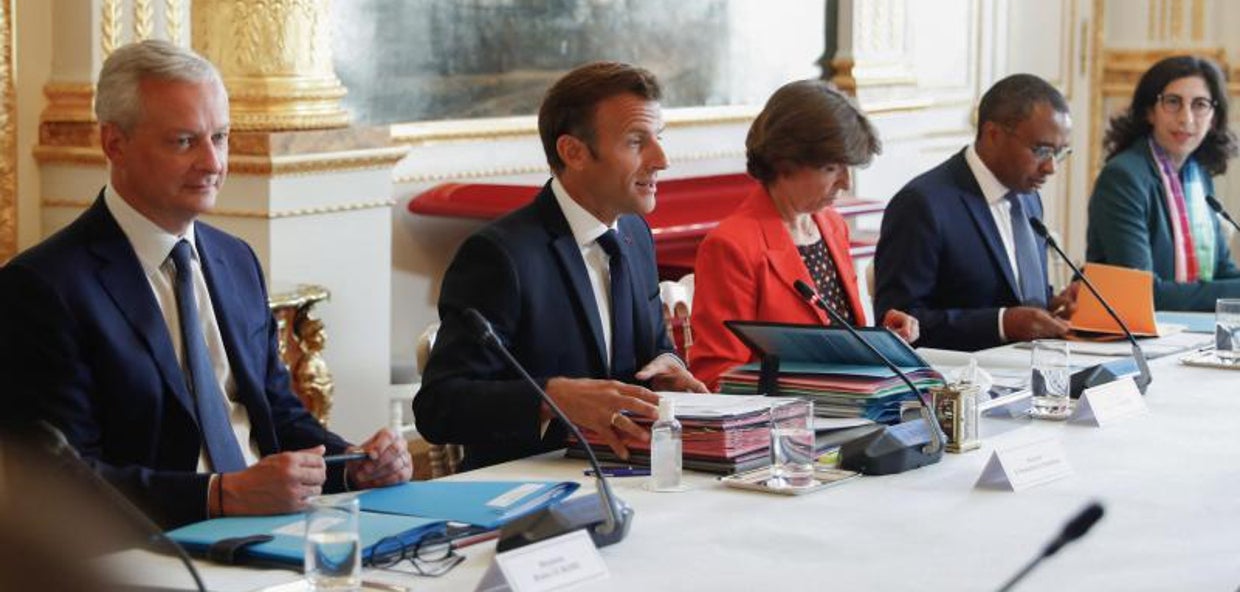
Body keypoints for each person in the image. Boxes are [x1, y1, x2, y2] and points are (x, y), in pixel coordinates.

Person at [0, 40, 411, 529]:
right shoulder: (43, 288)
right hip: (155, 548)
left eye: (219, 137)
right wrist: (220, 496)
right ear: (114, 143)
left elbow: (277, 416)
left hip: (274, 530)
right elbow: (59, 482)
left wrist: (352, 464)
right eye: (183, 141)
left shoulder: (235, 260)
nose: (213, 163)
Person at [413, 61, 706, 470]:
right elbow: (439, 406)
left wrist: (668, 366)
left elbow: (653, 348)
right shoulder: (500, 255)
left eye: (658, 138)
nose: (661, 160)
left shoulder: (635, 234)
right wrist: (548, 398)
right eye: (637, 142)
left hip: (634, 474)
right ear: (574, 152)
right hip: (533, 489)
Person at [688, 81, 918, 390]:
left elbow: (831, 344)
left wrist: (881, 340)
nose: (845, 183)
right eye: (832, 168)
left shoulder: (831, 225)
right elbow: (718, 374)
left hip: (849, 411)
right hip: (784, 426)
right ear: (786, 161)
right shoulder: (732, 245)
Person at [874, 74, 1080, 351]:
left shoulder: (1029, 199)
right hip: (959, 382)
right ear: (993, 134)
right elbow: (896, 325)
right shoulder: (923, 204)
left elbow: (1013, 294)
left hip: (1031, 369)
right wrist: (1000, 324)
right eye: (1041, 150)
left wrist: (1054, 305)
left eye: (1060, 153)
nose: (1051, 167)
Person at [1086, 55, 1240, 310]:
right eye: (1173, 102)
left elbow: (1221, 271)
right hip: (1128, 337)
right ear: (1149, 111)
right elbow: (1143, 293)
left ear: (1213, 118)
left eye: (1200, 105)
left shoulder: (1197, 176)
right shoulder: (1124, 178)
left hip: (1188, 335)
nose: (1186, 119)